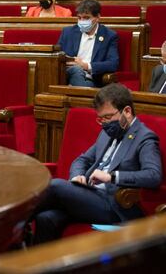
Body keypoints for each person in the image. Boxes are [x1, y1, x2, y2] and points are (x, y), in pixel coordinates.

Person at [31, 83, 162, 244]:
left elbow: (153, 175)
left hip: (115, 206)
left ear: (127, 111)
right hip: (90, 195)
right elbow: (82, 159)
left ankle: (11, 225)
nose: (105, 123)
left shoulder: (145, 137)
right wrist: (77, 175)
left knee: (56, 185)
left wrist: (111, 176)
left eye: (108, 117)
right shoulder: (106, 133)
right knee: (46, 218)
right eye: (101, 119)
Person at [58, 0, 119, 87]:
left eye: (86, 18)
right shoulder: (68, 32)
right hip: (66, 76)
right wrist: (67, 61)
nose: (82, 21)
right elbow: (57, 56)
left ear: (97, 17)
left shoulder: (109, 36)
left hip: (91, 79)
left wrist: (86, 66)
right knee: (76, 70)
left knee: (78, 71)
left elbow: (113, 64)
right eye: (79, 18)